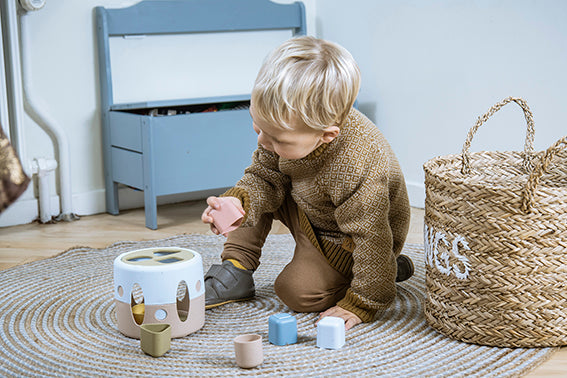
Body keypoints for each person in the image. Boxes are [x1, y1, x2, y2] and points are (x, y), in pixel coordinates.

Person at [201, 36, 412, 330]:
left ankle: (380, 273)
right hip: (309, 206)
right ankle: (236, 269)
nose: (263, 141)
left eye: (277, 139)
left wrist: (362, 303)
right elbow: (263, 177)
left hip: (343, 239)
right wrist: (235, 203)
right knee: (252, 197)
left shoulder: (357, 164)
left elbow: (371, 238)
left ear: (327, 135)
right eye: (257, 127)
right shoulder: (285, 129)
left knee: (296, 292)